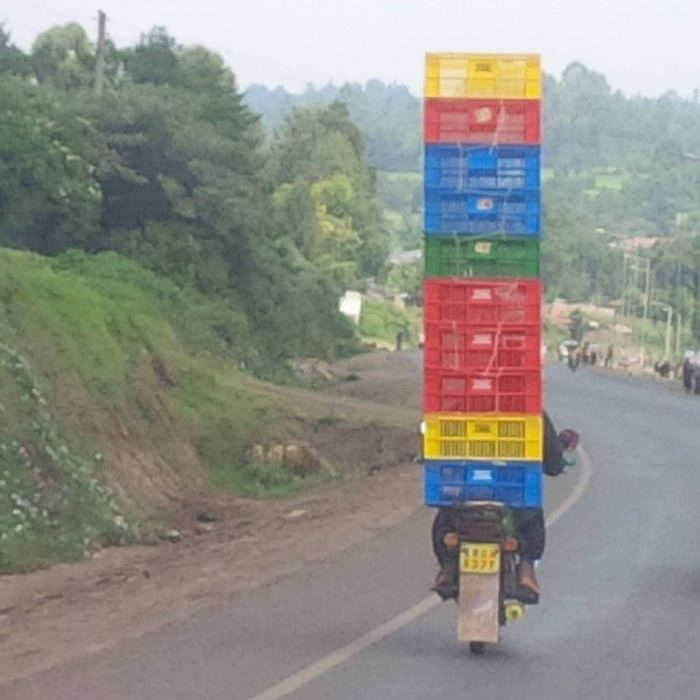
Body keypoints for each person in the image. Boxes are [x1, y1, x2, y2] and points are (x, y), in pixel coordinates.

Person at [430, 411, 577, 604]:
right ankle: (526, 570)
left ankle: (448, 568)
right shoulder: (531, 412)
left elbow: (437, 447)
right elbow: (553, 463)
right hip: (512, 493)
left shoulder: (458, 408)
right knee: (532, 521)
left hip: (465, 492)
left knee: (444, 522)